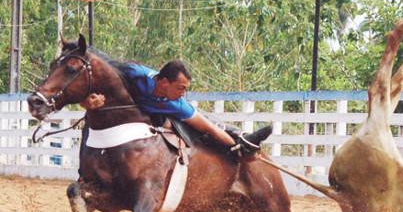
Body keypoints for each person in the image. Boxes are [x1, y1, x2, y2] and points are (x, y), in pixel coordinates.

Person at [79, 60, 269, 155]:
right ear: (163, 82)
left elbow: (209, 128)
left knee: (206, 126)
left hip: (150, 121)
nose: (183, 94)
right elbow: (94, 73)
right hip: (114, 122)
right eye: (180, 88)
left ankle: (244, 139)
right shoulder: (134, 72)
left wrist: (235, 147)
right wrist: (86, 101)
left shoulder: (177, 104)